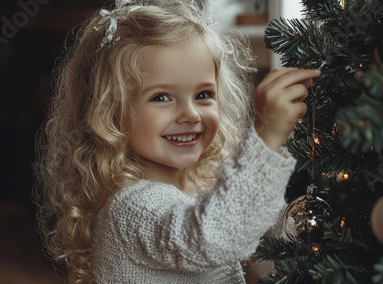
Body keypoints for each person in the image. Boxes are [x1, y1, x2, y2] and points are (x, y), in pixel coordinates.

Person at [35, 0, 320, 283]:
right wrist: (266, 136)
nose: (190, 114)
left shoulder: (202, 184)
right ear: (109, 113)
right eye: (161, 97)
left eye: (203, 95)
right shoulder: (131, 207)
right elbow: (214, 238)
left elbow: (253, 233)